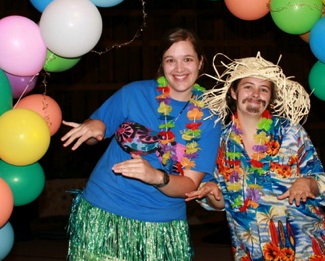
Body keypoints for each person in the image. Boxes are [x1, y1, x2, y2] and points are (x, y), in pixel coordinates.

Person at [61, 27, 221, 261]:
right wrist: (95, 125)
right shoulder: (134, 93)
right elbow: (96, 127)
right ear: (162, 64)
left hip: (160, 227)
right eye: (170, 60)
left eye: (187, 59)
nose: (179, 69)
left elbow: (189, 184)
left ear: (200, 62)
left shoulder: (209, 116)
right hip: (104, 211)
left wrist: (156, 176)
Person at [186, 52, 325, 261]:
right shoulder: (218, 142)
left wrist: (306, 182)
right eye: (248, 86)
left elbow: (319, 181)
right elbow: (220, 204)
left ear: (270, 98)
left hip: (306, 250)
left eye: (264, 89)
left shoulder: (291, 132)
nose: (256, 94)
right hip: (251, 251)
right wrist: (213, 192)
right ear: (233, 92)